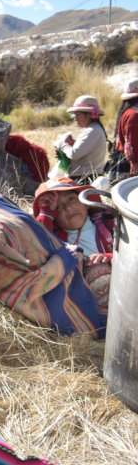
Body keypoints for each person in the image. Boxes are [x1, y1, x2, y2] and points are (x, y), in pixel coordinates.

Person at [32, 176, 114, 312]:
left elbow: (131, 253)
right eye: (58, 207)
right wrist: (45, 215)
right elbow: (38, 246)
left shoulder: (109, 223)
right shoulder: (56, 240)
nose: (68, 208)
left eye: (72, 199)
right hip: (88, 298)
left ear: (85, 203)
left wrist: (110, 257)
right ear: (54, 218)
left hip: (123, 282)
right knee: (96, 271)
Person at [53, 95, 107, 184]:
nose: (75, 118)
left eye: (78, 115)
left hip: (85, 178)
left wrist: (63, 145)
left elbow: (74, 154)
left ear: (89, 115)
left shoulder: (92, 131)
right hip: (86, 176)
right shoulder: (93, 129)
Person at [107, 79, 138, 182]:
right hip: (130, 163)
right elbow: (130, 144)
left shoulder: (128, 112)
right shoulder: (134, 115)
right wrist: (134, 166)